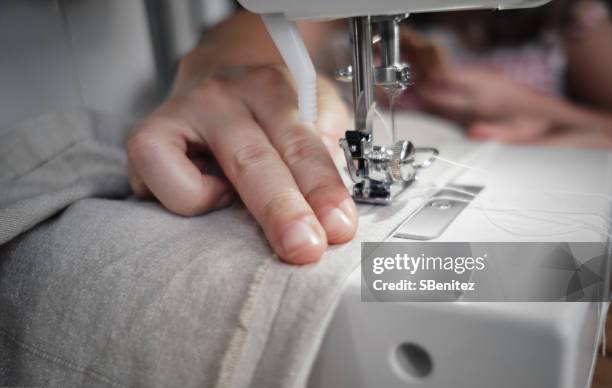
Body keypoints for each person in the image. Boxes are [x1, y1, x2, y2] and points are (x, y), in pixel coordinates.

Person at [126, 1, 612, 265]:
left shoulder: (573, 23)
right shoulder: (333, 9)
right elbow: (248, 33)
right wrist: (228, 75)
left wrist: (555, 114)